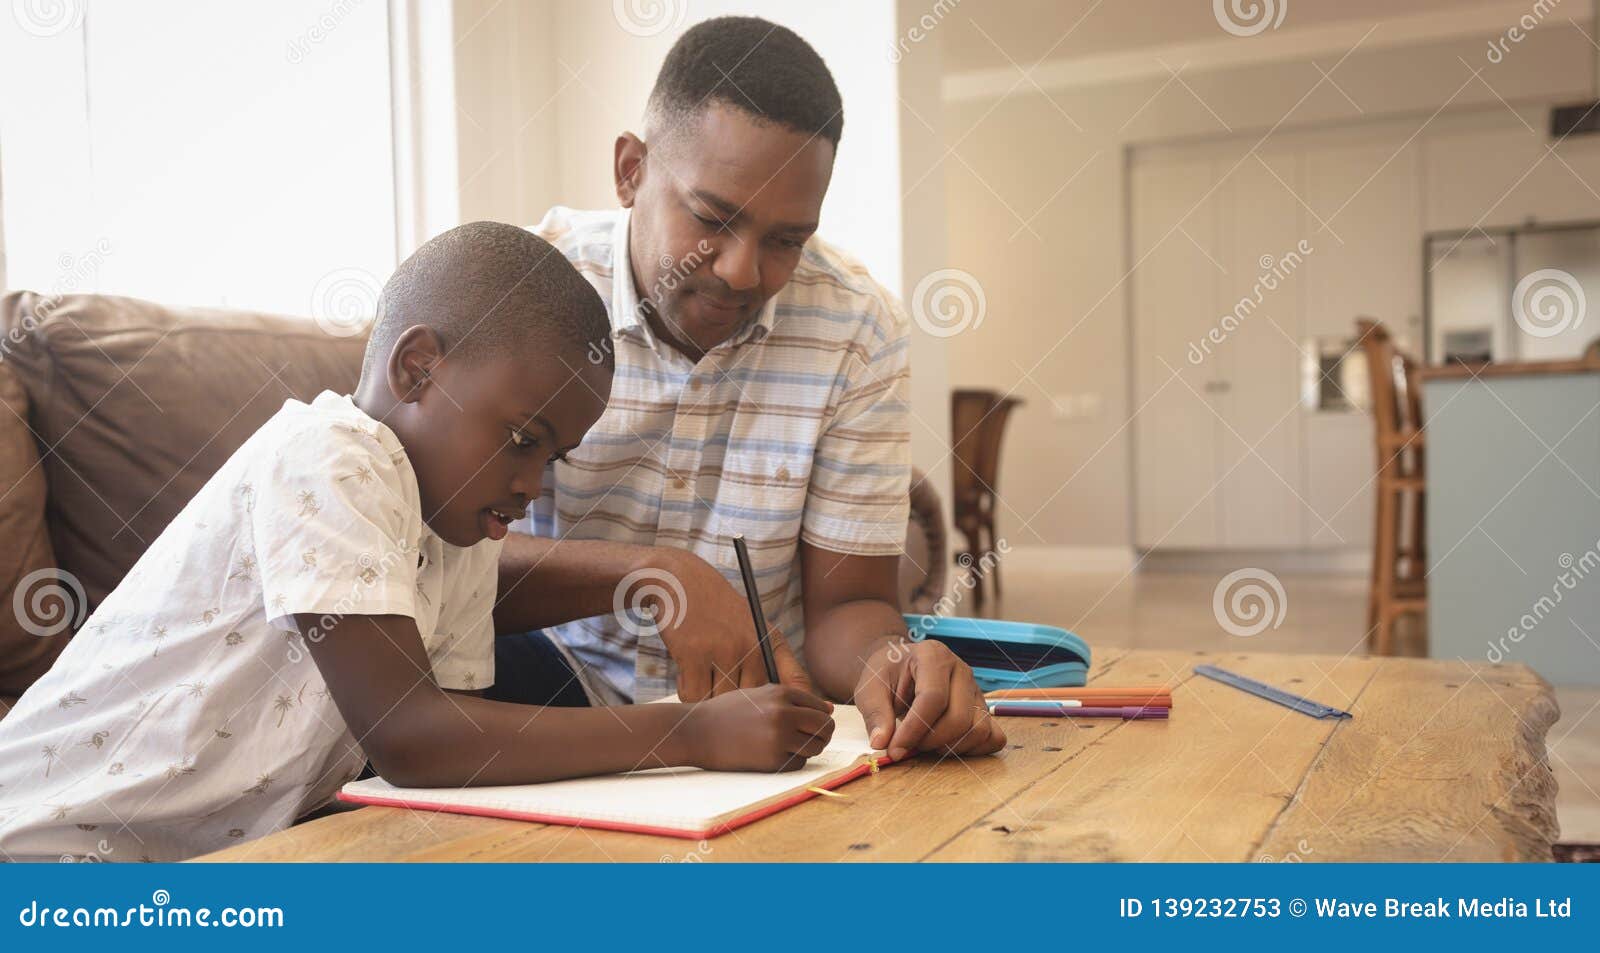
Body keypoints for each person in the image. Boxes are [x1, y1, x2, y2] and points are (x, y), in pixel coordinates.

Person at [0, 222, 836, 862]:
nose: (534, 483)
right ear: (417, 368)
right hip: (49, 855)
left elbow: (463, 738)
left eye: (553, 456)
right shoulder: (331, 458)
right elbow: (417, 739)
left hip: (207, 865)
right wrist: (683, 734)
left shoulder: (451, 519)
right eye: (521, 439)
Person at [491, 17, 1005, 762]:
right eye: (711, 218)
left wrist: (890, 667)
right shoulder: (519, 293)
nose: (741, 271)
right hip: (545, 700)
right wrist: (659, 573)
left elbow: (850, 606)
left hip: (760, 725)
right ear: (631, 170)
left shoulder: (860, 329)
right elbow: (431, 569)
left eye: (786, 241)